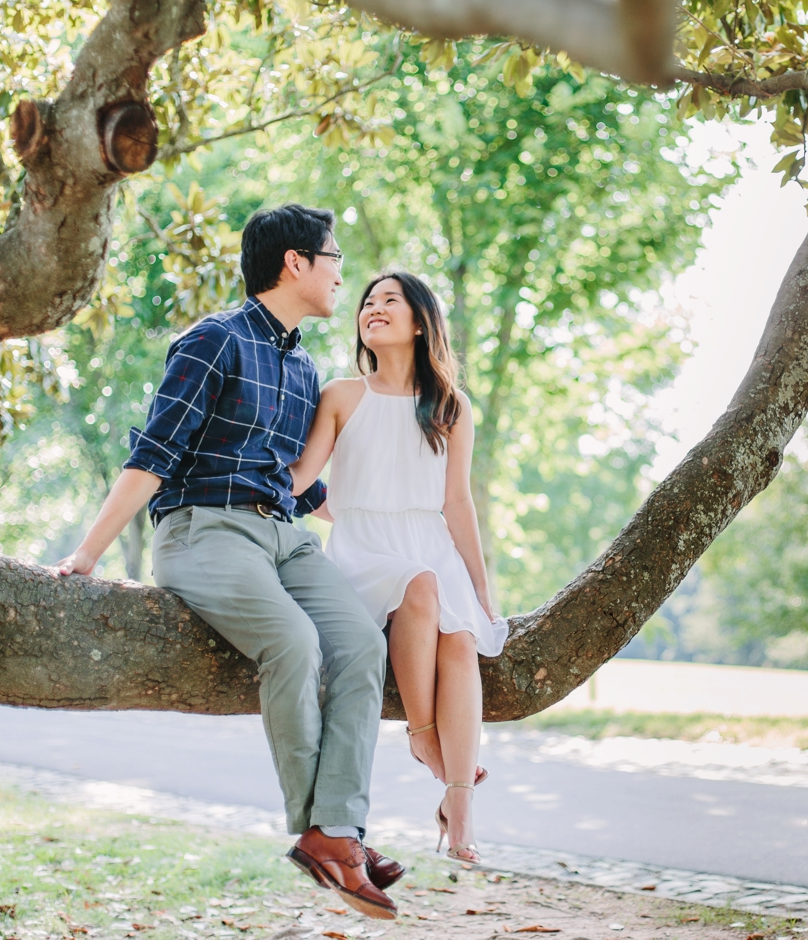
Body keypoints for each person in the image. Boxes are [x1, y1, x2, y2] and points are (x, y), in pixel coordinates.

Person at [55, 204, 401, 920]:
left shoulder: (306, 367)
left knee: (365, 643)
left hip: (284, 536)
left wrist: (402, 517)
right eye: (334, 258)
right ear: (296, 263)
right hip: (202, 532)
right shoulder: (212, 341)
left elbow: (298, 483)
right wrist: (87, 553)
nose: (345, 275)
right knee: (294, 643)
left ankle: (335, 828)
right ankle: (327, 837)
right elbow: (153, 456)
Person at [291, 271, 507, 863]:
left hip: (430, 542)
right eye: (367, 302)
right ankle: (424, 738)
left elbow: (457, 503)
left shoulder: (452, 407)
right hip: (364, 546)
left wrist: (483, 590)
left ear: (420, 322)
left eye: (390, 301)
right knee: (420, 584)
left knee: (461, 639)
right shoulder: (341, 395)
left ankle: (458, 806)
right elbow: (301, 479)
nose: (373, 308)